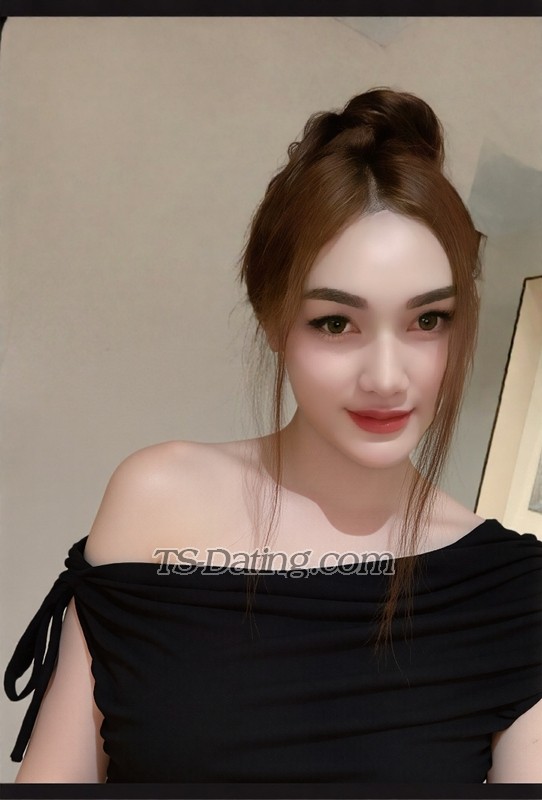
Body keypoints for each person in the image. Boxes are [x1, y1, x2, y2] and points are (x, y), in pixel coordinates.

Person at [4, 87, 542, 786]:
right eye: (335, 323)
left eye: (427, 320)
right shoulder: (157, 496)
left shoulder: (512, 593)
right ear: (272, 319)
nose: (387, 378)